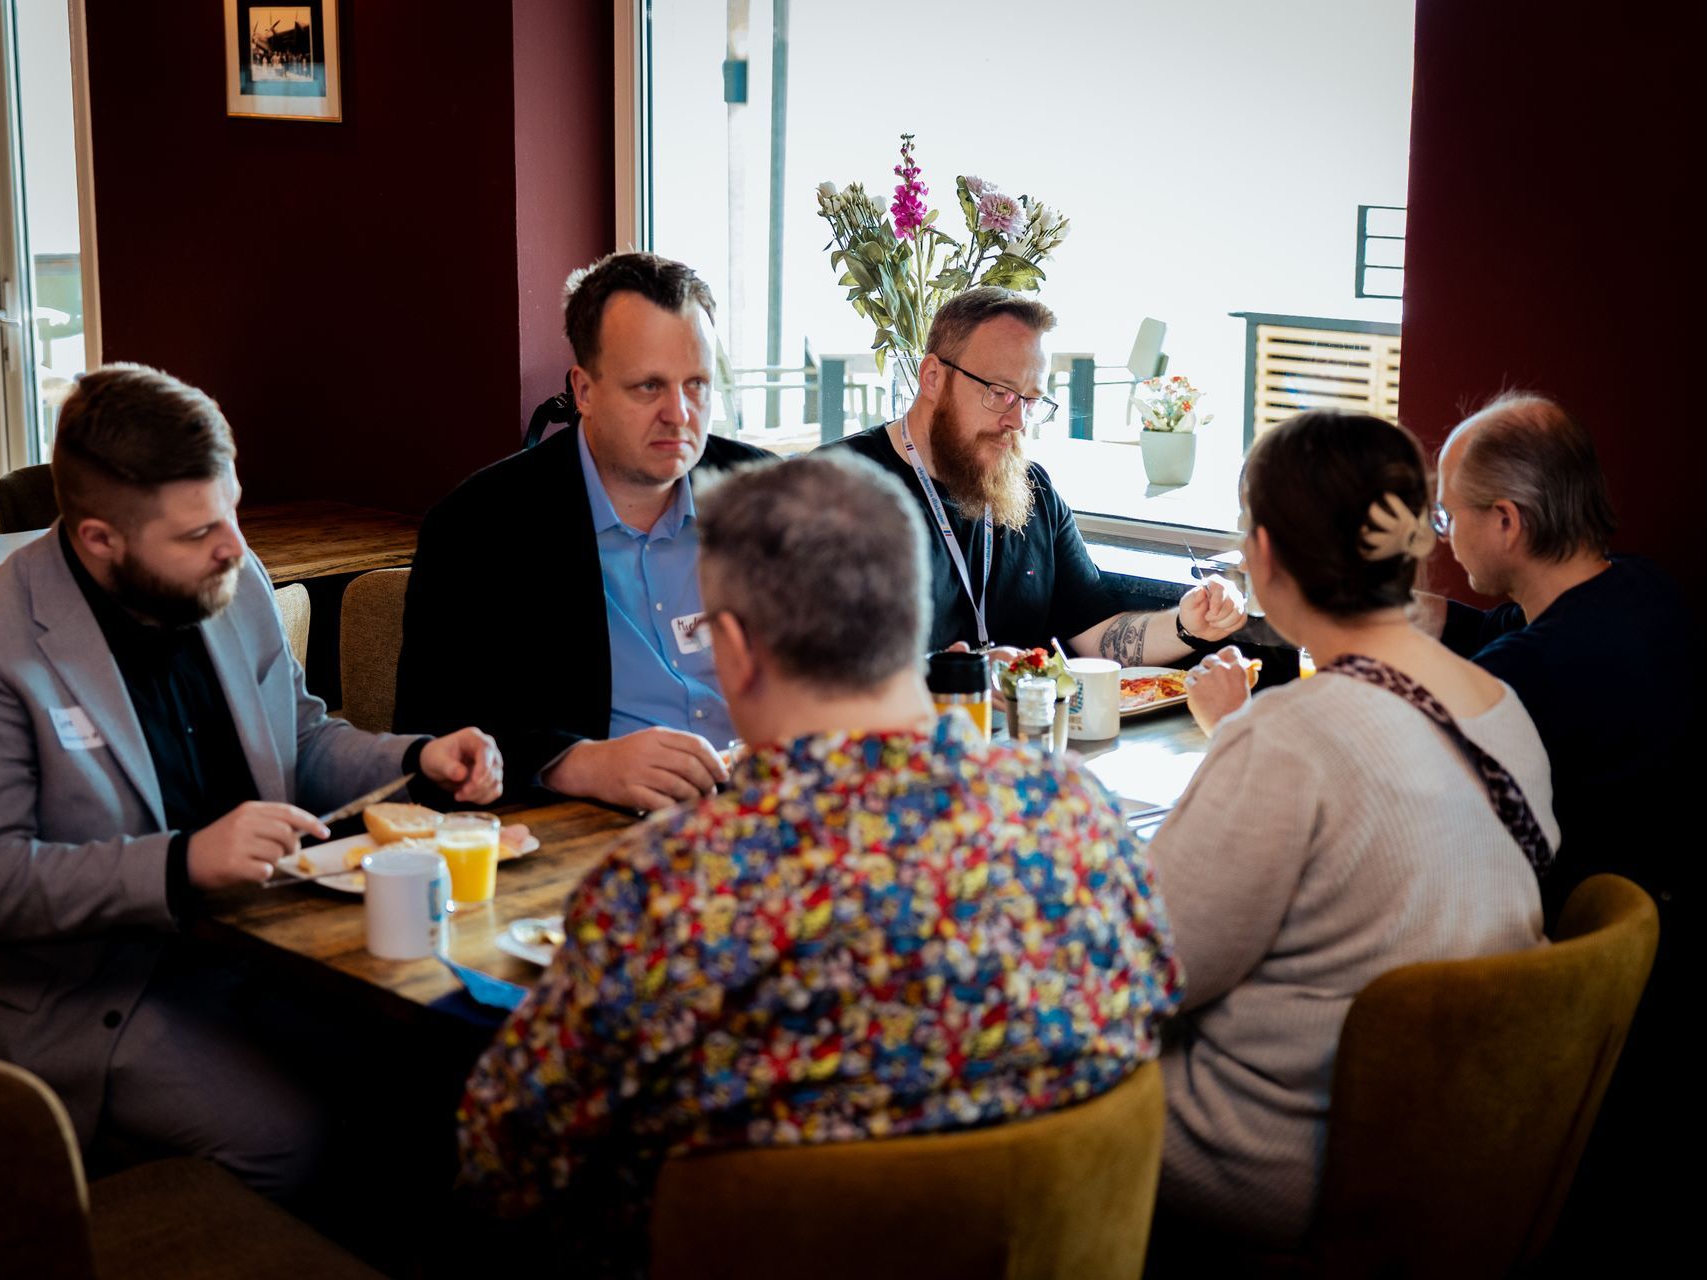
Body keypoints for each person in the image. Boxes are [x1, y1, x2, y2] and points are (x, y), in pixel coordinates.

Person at [455, 453, 1183, 1265]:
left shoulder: (675, 889)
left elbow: (507, 1165)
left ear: (732, 648)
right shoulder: (1082, 823)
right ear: (912, 612)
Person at [0, 363, 502, 1197]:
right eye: (195, 534)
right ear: (98, 540)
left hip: (258, 950)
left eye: (232, 511)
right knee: (298, 1139)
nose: (234, 546)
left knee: (441, 1073)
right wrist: (181, 863)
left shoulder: (232, 576)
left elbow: (301, 743)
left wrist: (414, 760)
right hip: (88, 998)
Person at [1146, 409, 1555, 1247]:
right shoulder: (1504, 708)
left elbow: (1145, 971)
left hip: (1283, 1158)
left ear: (1262, 557)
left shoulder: (1289, 735)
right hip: (1462, 1151)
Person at [396, 252, 772, 811]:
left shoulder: (772, 498)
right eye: (648, 387)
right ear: (584, 391)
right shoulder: (479, 526)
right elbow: (428, 738)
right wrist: (573, 763)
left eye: (696, 384)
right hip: (590, 829)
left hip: (769, 808)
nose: (680, 413)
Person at [822, 286, 1247, 669]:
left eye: (1031, 400)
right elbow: (810, 667)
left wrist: (1187, 624)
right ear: (932, 376)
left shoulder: (1032, 490)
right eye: (1000, 392)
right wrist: (958, 676)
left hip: (1025, 744)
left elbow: (1097, 636)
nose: (1017, 420)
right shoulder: (831, 489)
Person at [1414, 393, 1689, 922]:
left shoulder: (1521, 676)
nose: (1443, 534)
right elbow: (1495, 628)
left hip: (1546, 943)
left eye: (1447, 513)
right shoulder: (1643, 587)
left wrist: (1239, 718)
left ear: (1505, 522)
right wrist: (1390, 612)